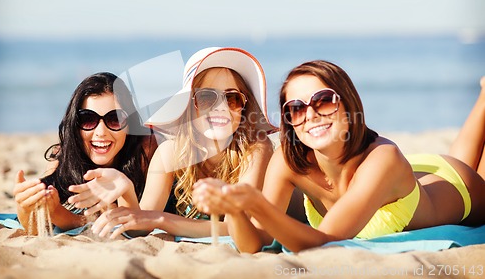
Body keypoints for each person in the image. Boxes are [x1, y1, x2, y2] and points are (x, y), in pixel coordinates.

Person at [192, 60, 485, 253]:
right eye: (297, 108)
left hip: (459, 186)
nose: (312, 115)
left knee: (466, 167)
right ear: (289, 120)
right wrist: (233, 208)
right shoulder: (288, 162)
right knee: (457, 154)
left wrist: (255, 202)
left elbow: (325, 241)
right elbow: (255, 244)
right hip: (410, 177)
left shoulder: (385, 158)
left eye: (324, 101)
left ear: (348, 103)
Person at [85, 47, 276, 239]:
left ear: (244, 107)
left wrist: (161, 220)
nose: (221, 107)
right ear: (188, 106)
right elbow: (140, 226)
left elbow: (236, 228)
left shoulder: (256, 148)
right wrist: (126, 191)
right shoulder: (171, 152)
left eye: (232, 98)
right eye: (207, 98)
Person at [13, 72, 158, 234]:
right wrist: (24, 207)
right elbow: (35, 229)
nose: (101, 132)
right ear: (75, 124)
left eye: (115, 119)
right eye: (88, 119)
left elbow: (137, 227)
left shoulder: (147, 149)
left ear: (130, 124)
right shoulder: (65, 155)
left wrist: (62, 217)